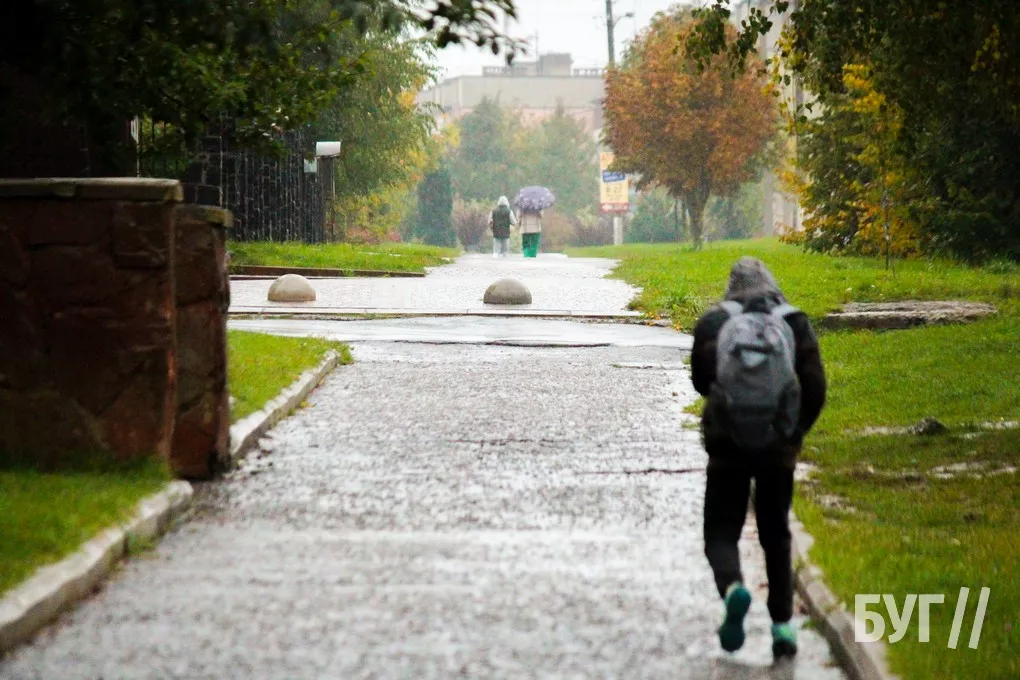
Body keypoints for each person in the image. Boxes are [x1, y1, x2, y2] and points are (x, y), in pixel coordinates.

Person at [690, 256, 827, 659]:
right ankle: (783, 627)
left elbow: (701, 382)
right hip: (777, 448)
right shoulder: (794, 322)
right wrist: (793, 431)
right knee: (776, 533)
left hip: (727, 444)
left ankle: (734, 588)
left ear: (731, 286)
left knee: (720, 531)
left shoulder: (714, 322)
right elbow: (815, 386)